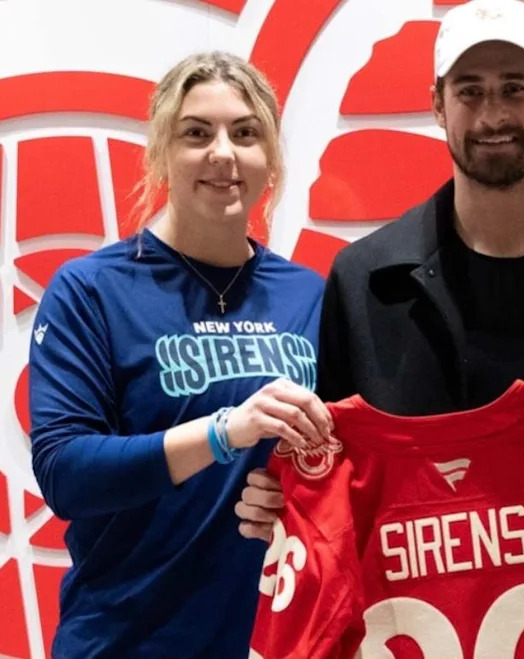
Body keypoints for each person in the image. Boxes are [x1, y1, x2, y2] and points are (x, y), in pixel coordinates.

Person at [236, 0, 524, 541]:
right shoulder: (365, 279)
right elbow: (336, 468)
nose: (492, 117)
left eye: (514, 88)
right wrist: (286, 501)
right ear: (438, 105)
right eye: (469, 91)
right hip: (418, 618)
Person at [29, 51, 329, 658]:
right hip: (124, 639)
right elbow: (66, 471)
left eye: (245, 133)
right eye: (197, 133)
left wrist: (296, 498)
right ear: (163, 150)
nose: (223, 152)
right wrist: (223, 432)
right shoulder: (92, 288)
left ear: (269, 158)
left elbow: (340, 454)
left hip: (271, 642)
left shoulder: (308, 293)